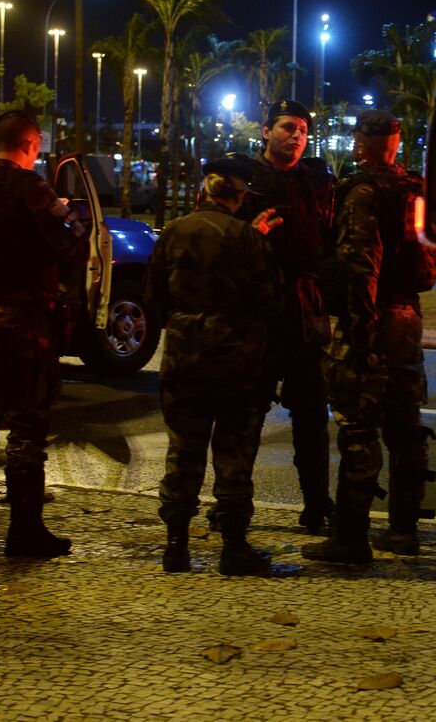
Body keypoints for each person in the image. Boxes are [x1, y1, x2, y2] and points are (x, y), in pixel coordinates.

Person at [0, 111, 87, 560]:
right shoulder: (31, 189)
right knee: (27, 427)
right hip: (24, 323)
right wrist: (70, 219)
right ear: (31, 144)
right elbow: (71, 245)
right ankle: (24, 531)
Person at [305, 109, 436, 564]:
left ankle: (350, 539)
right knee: (406, 424)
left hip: (375, 317)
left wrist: (360, 336)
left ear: (364, 144)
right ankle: (404, 530)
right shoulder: (416, 190)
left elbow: (361, 265)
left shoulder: (363, 192)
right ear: (397, 143)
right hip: (408, 317)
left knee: (359, 427)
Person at [145, 158, 284, 575]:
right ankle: (234, 549)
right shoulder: (248, 237)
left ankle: (176, 547)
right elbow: (271, 300)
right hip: (236, 361)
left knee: (183, 451)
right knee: (234, 455)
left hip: (184, 357)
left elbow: (154, 297)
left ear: (205, 194)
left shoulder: (173, 233)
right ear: (237, 197)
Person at [233, 99, 337, 534]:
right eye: (288, 127)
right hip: (257, 315)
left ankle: (317, 505)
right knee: (246, 415)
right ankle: (234, 506)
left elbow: (331, 241)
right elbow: (219, 240)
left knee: (312, 416)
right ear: (266, 131)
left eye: (303, 130)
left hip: (303, 312)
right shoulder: (242, 180)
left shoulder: (315, 182)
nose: (296, 136)